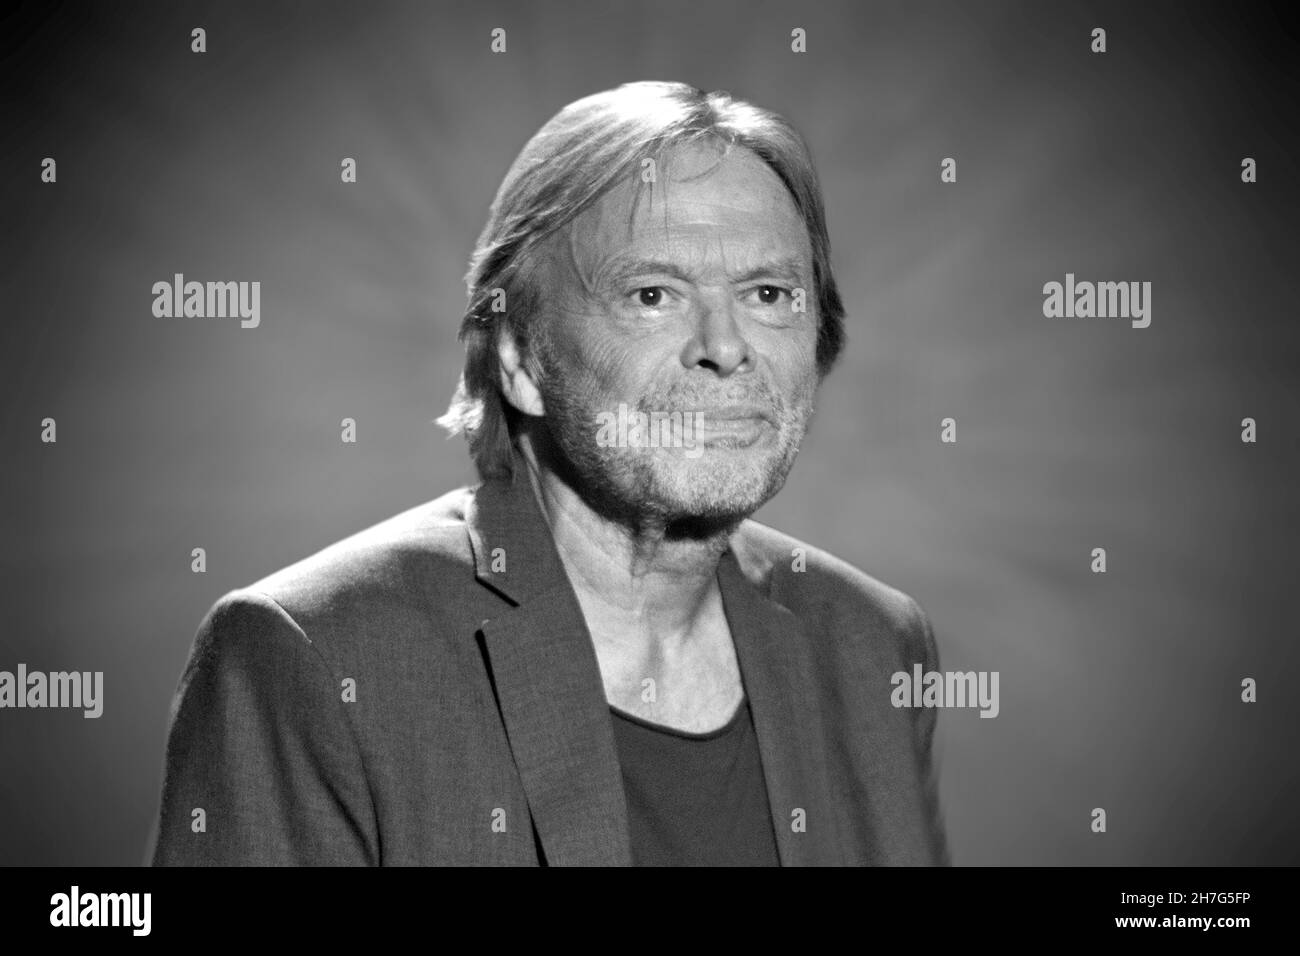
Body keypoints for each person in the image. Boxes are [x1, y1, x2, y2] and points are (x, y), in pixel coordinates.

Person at [148, 80, 949, 866]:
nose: (726, 346)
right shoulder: (317, 655)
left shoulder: (874, 643)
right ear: (518, 355)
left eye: (770, 293)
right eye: (651, 294)